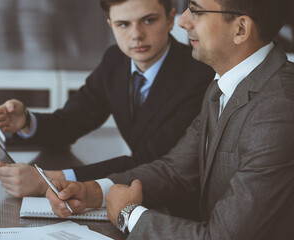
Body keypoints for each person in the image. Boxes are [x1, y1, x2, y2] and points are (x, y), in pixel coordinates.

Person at [46, 0, 294, 238]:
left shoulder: (278, 110)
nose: (184, 21)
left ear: (240, 29)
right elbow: (175, 170)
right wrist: (94, 191)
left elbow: (222, 236)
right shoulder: (222, 84)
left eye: (196, 10)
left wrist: (130, 215)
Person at [0, 0, 214, 199]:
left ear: (170, 20)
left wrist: (50, 179)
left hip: (178, 203)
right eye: (123, 24)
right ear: (111, 26)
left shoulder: (199, 75)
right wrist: (26, 122)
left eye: (148, 20)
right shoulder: (115, 61)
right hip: (134, 194)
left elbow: (150, 160)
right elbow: (70, 122)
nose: (136, 35)